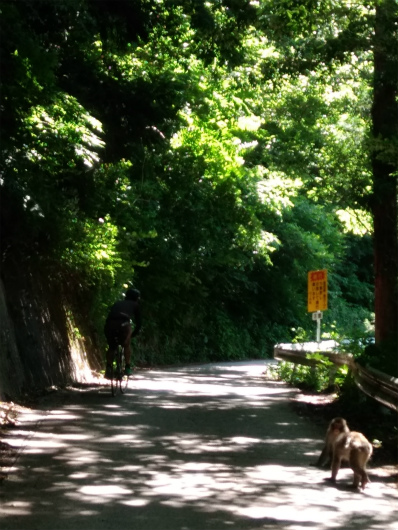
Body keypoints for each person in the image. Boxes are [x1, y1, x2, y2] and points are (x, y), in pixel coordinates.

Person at [104, 288, 142, 378]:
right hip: (123, 325)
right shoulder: (135, 305)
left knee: (112, 346)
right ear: (136, 298)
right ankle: (127, 367)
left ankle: (108, 368)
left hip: (109, 324)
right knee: (126, 345)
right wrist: (132, 335)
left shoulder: (117, 303)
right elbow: (139, 323)